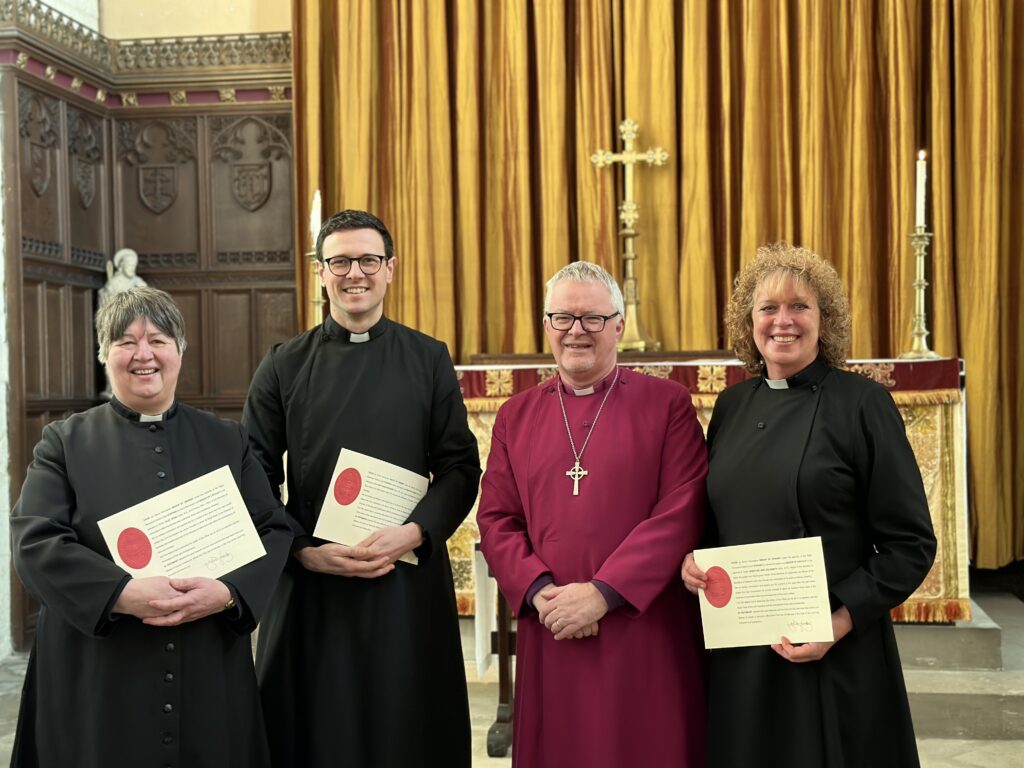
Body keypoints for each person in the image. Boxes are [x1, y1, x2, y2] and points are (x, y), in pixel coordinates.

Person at [11, 287, 292, 768]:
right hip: (98, 674)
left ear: (180, 351)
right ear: (105, 355)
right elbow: (35, 541)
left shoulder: (227, 440)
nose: (144, 354)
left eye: (158, 340)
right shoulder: (64, 442)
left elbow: (273, 529)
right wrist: (121, 593)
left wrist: (227, 593)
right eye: (126, 342)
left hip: (206, 663)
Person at [682, 242, 937, 767]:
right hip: (743, 653)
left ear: (826, 320)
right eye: (768, 308)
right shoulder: (731, 406)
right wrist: (693, 562)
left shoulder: (862, 404)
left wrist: (837, 621)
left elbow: (910, 544)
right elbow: (717, 523)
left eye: (800, 306)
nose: (783, 321)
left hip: (835, 655)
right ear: (748, 322)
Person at [242, 209, 482, 768]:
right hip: (312, 585)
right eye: (341, 262)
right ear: (320, 271)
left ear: (390, 268)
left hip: (405, 581)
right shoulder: (283, 364)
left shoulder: (427, 358)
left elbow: (459, 467)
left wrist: (414, 534)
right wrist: (301, 549)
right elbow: (252, 473)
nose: (356, 274)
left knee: (406, 728)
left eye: (369, 260)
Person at [477, 261, 709, 767]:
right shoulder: (516, 416)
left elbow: (682, 509)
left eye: (593, 318)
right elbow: (496, 519)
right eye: (562, 318)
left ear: (619, 325)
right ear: (546, 325)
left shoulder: (667, 405)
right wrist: (540, 593)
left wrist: (604, 593)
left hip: (641, 628)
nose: (576, 331)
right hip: (553, 626)